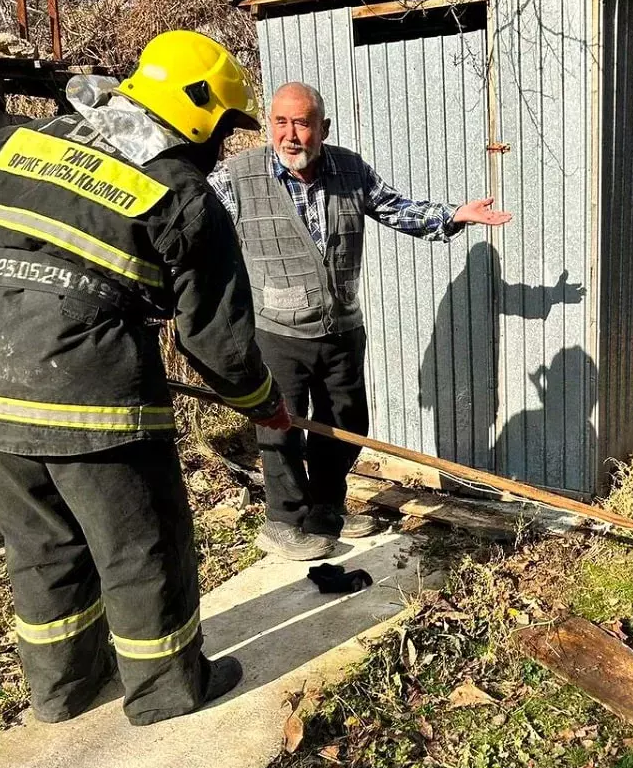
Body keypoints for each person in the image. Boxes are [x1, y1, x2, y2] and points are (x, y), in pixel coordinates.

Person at [0, 31, 292, 727]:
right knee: (140, 546)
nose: (223, 142)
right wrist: (261, 402)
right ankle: (165, 691)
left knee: (43, 546)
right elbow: (216, 338)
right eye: (225, 125)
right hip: (89, 398)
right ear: (199, 113)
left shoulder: (24, 142)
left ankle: (63, 691)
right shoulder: (183, 197)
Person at [208, 82, 511, 561]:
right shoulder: (237, 177)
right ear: (270, 125)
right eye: (281, 122)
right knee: (279, 426)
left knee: (344, 422)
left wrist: (454, 214)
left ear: (322, 128)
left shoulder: (349, 169)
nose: (291, 135)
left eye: (303, 123)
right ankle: (283, 521)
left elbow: (395, 207)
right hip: (276, 331)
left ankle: (327, 510)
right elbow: (192, 229)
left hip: (342, 328)